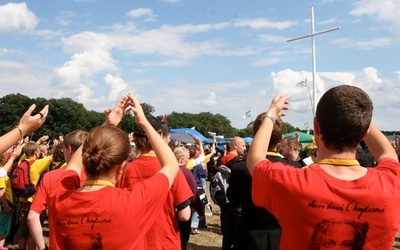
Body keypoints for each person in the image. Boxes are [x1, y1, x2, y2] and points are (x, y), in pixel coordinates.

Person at [247, 85, 400, 249]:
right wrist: (360, 119)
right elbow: (387, 153)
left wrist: (271, 113)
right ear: (364, 134)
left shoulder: (290, 182)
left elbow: (255, 158)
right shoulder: (392, 182)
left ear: (316, 127)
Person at [45, 93, 181, 249]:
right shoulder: (133, 201)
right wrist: (144, 122)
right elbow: (171, 165)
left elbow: (74, 165)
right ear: (122, 166)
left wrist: (107, 125)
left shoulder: (59, 196)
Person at [227, 116, 305, 250]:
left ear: (254, 135)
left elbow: (233, 199)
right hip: (282, 237)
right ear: (281, 139)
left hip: (248, 237)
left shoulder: (238, 167)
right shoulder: (296, 168)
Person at [117, 114, 193, 250]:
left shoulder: (124, 170)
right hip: (165, 241)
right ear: (159, 135)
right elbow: (185, 215)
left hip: (133, 242)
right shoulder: (171, 169)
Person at [28, 130, 88, 250]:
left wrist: (42, 247)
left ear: (69, 149)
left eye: (63, 149)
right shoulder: (99, 175)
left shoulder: (51, 177)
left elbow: (32, 217)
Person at [173, 146, 204, 250]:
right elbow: (194, 194)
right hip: (183, 211)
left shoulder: (168, 169)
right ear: (182, 159)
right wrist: (200, 211)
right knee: (182, 240)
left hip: (169, 212)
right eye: (187, 157)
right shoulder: (186, 172)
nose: (189, 159)